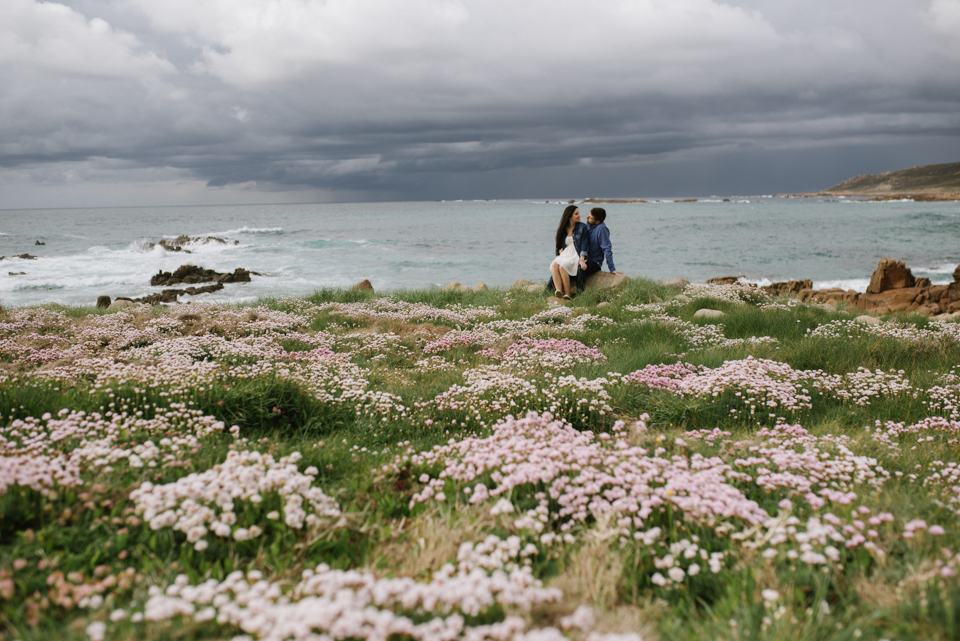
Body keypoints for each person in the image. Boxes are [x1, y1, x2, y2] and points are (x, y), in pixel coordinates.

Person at [578, 207, 623, 290]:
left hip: (594, 262)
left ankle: (580, 297)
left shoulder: (602, 229)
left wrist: (612, 269)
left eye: (590, 217)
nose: (587, 217)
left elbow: (607, 249)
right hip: (582, 258)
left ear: (597, 222)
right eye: (588, 215)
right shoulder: (587, 225)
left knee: (580, 270)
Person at [549, 205, 589, 299]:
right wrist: (560, 252)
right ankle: (558, 291)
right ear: (569, 216)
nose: (579, 215)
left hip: (576, 253)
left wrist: (582, 259)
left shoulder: (582, 227)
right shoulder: (563, 228)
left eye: (578, 213)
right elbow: (559, 244)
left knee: (563, 266)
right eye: (576, 214)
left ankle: (568, 294)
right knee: (554, 265)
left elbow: (584, 244)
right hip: (566, 253)